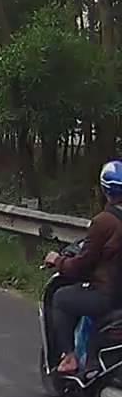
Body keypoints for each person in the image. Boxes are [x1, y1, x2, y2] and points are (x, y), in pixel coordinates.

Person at [44, 160, 122, 374]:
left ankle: (69, 357)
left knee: (61, 298)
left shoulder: (104, 222)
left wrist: (58, 261)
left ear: (105, 189)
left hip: (109, 296)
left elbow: (82, 265)